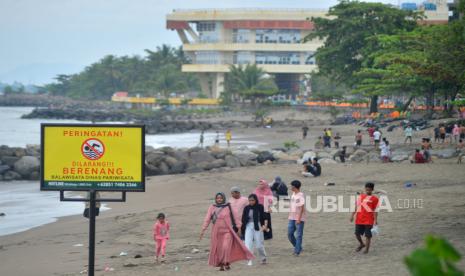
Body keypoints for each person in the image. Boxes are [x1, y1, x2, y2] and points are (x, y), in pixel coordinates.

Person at [199, 192, 254, 271]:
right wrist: (203, 229)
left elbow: (235, 217)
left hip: (227, 230)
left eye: (221, 198)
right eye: (218, 198)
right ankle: (222, 264)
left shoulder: (228, 206)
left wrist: (239, 228)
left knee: (226, 247)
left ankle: (226, 262)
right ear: (216, 199)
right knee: (219, 249)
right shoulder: (212, 207)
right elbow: (207, 218)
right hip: (216, 232)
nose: (219, 199)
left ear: (223, 198)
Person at [350, 182, 379, 254]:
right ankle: (362, 244)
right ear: (365, 189)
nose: (368, 191)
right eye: (367, 190)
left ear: (372, 190)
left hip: (369, 220)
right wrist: (352, 215)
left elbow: (375, 210)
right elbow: (356, 207)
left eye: (369, 190)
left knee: (368, 236)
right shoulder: (361, 197)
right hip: (359, 219)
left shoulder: (375, 199)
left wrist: (375, 220)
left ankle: (367, 249)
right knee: (357, 234)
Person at [241, 194, 268, 265]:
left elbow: (265, 217)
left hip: (258, 225)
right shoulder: (246, 208)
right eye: (249, 200)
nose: (251, 202)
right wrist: (242, 228)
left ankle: (263, 257)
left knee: (259, 244)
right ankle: (249, 259)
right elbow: (243, 219)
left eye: (252, 200)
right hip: (248, 226)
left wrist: (264, 226)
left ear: (256, 200)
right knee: (248, 243)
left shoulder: (260, 207)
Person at [288, 180, 306, 256]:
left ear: (294, 187)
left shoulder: (300, 196)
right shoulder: (293, 194)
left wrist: (298, 219)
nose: (290, 187)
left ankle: (297, 251)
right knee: (290, 234)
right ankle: (298, 247)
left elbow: (302, 208)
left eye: (291, 186)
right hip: (291, 217)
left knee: (299, 235)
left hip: (299, 218)